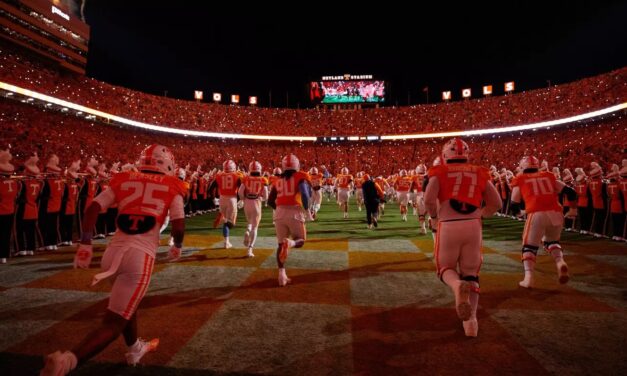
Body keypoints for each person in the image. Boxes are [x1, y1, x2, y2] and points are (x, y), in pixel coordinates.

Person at [40, 144, 187, 375]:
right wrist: (177, 246)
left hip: (112, 254)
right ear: (167, 164)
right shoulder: (173, 184)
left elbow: (93, 207)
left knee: (126, 306)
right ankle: (67, 361)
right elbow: (178, 225)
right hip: (140, 256)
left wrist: (86, 242)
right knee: (114, 322)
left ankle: (134, 348)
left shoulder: (125, 178)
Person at [424, 138, 501, 337]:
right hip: (473, 226)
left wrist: (433, 217)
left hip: (448, 224)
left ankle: (457, 286)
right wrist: (480, 214)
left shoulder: (438, 171)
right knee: (471, 273)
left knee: (445, 268)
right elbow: (497, 203)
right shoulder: (480, 171)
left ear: (445, 155)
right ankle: (471, 323)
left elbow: (428, 200)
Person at [509, 156, 578, 289]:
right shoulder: (548, 176)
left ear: (523, 167)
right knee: (552, 242)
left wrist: (519, 213)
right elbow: (571, 193)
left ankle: (528, 278)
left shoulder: (521, 178)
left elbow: (514, 203)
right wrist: (573, 209)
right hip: (556, 213)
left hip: (537, 212)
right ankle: (560, 262)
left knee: (529, 246)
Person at [267, 153, 312, 286]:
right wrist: (308, 211)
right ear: (296, 165)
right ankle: (290, 243)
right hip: (294, 211)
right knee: (301, 241)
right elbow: (304, 193)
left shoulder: (277, 180)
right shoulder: (300, 176)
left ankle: (282, 276)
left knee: (280, 245)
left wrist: (280, 209)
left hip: (279, 212)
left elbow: (270, 201)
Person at [238, 161, 268, 258]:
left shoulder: (246, 178)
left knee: (250, 221)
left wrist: (243, 199)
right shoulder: (263, 179)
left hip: (247, 202)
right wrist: (262, 199)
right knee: (255, 227)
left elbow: (240, 191)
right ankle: (250, 249)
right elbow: (266, 195)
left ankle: (247, 230)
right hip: (256, 202)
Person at [209, 160, 242, 248]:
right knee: (230, 223)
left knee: (226, 220)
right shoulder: (237, 176)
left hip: (222, 198)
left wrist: (213, 199)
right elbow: (241, 189)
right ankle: (226, 242)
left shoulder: (219, 176)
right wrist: (241, 199)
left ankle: (226, 241)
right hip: (232, 198)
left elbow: (210, 189)